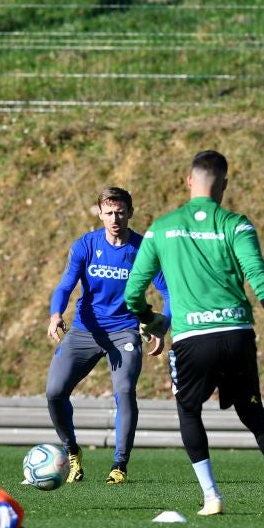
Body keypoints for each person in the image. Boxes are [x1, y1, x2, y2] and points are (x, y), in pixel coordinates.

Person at [123, 150, 264, 517]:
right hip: (237, 334)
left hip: (193, 338)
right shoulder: (236, 224)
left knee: (189, 411)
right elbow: (259, 276)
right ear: (223, 184)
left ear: (188, 181)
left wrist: (150, 319)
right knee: (254, 414)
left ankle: (212, 498)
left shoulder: (161, 228)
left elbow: (133, 293)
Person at [46, 187, 169, 485]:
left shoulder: (144, 248)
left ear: (130, 213)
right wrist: (55, 314)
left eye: (121, 212)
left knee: (124, 391)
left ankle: (119, 465)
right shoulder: (85, 245)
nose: (115, 218)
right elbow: (65, 286)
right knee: (54, 392)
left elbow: (168, 292)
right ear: (100, 213)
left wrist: (161, 325)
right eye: (109, 213)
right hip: (85, 330)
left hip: (125, 331)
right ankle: (72, 453)